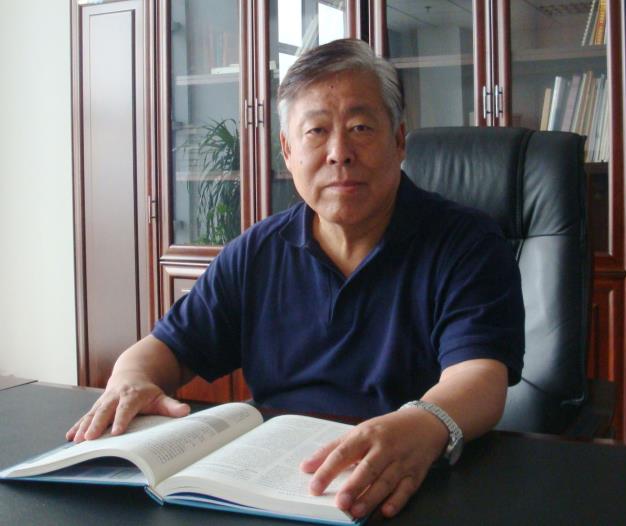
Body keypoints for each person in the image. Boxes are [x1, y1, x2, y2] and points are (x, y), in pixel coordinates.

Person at [67, 39, 524, 519]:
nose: (339, 153)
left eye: (361, 128)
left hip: (407, 482)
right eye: (316, 131)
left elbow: (480, 376)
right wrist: (130, 380)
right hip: (273, 484)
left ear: (399, 140)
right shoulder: (257, 251)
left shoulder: (466, 243)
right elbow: (166, 349)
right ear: (287, 150)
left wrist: (424, 423)